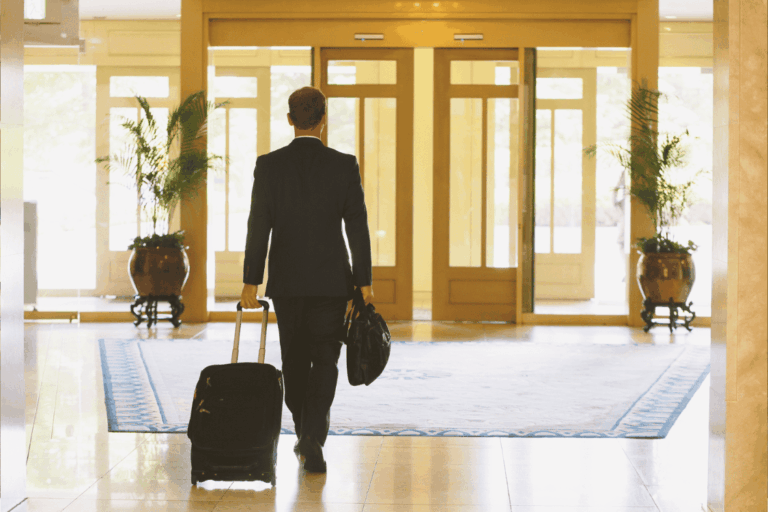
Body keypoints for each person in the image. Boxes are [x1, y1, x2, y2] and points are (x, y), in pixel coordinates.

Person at [240, 86, 373, 473]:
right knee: (327, 360)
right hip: (333, 282)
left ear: (289, 119)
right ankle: (312, 436)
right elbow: (357, 228)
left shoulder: (268, 165)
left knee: (294, 360)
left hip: (288, 282)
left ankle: (305, 433)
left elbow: (258, 225)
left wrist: (252, 280)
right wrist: (364, 282)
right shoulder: (344, 165)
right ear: (324, 118)